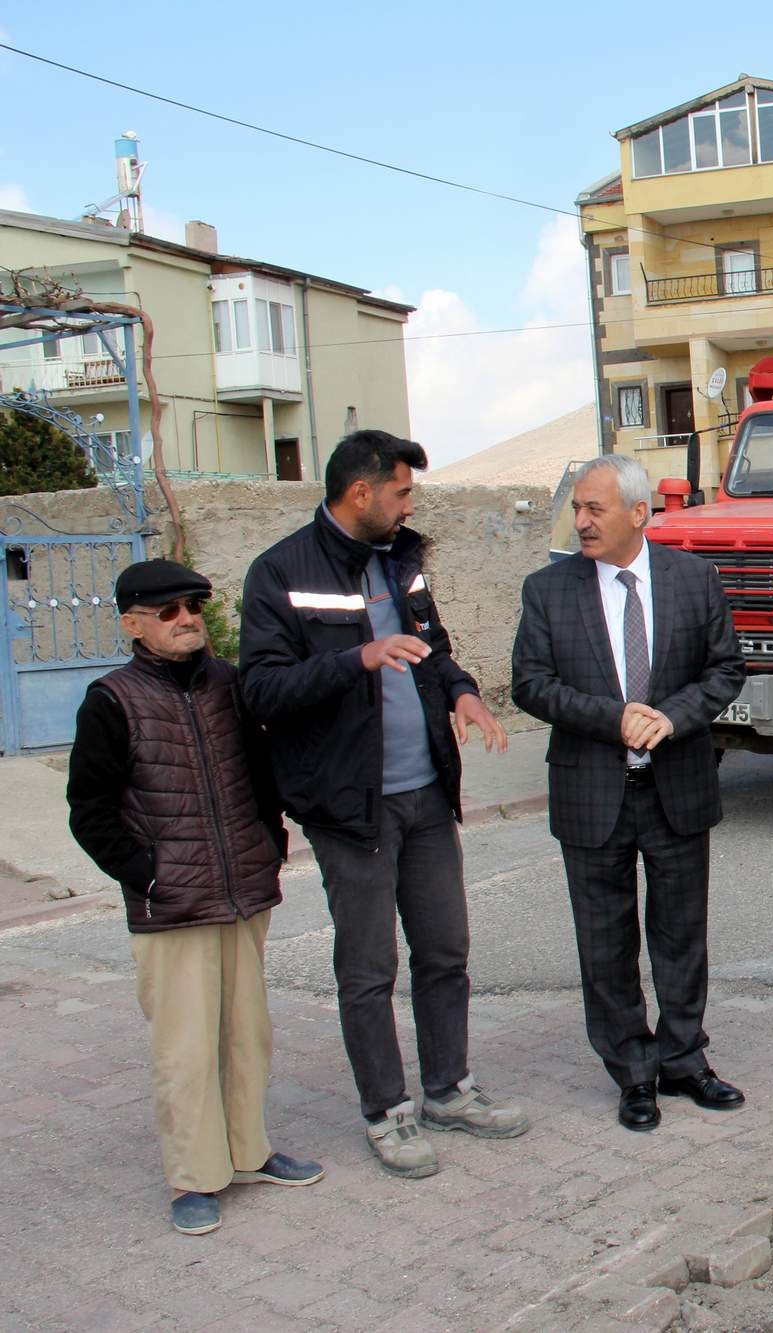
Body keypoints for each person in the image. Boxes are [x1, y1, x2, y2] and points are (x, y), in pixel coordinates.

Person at [239, 429, 524, 1179]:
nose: (409, 505)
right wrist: (354, 657)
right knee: (368, 967)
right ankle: (386, 1111)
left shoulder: (401, 561)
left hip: (425, 789)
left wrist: (461, 690)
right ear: (360, 492)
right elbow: (262, 688)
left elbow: (432, 644)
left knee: (445, 951)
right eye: (400, 491)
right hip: (348, 803)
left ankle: (448, 1089)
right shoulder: (279, 572)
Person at [66, 559, 322, 1236]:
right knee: (184, 1047)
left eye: (193, 607)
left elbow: (263, 776)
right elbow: (87, 810)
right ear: (133, 624)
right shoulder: (110, 700)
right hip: (172, 903)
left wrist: (267, 845)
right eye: (170, 611)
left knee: (247, 1034)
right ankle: (194, 1176)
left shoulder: (230, 684)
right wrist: (146, 874)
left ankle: (249, 1151)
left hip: (243, 889)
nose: (187, 620)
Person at [511, 454, 748, 1130]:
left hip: (675, 782)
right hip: (592, 790)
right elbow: (530, 682)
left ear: (638, 513)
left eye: (595, 509)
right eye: (578, 509)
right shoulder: (548, 590)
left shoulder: (693, 580)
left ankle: (684, 1058)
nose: (581, 521)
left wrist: (670, 716)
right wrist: (611, 717)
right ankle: (633, 1071)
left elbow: (725, 668)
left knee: (681, 933)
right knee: (605, 941)